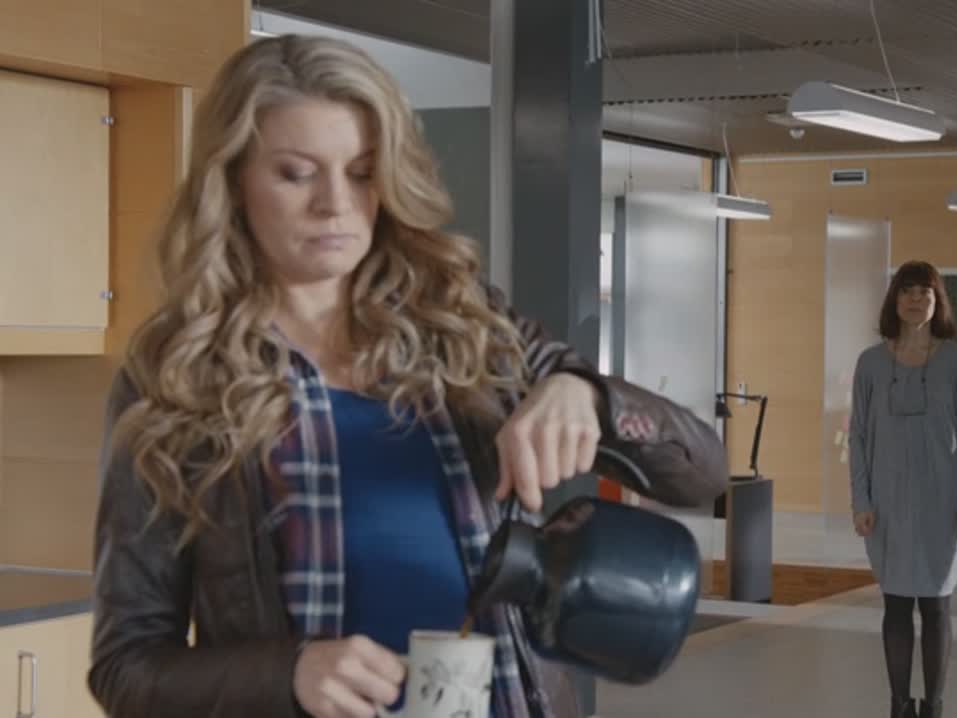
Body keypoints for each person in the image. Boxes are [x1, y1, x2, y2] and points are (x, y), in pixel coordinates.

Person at [89, 35, 727, 718]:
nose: (335, 204)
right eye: (296, 174)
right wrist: (288, 675)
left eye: (362, 172)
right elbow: (126, 667)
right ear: (233, 182)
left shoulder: (467, 325)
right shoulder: (178, 379)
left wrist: (589, 397)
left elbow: (702, 474)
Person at [849, 260, 957, 718]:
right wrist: (861, 500)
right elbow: (858, 437)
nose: (915, 299)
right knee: (895, 604)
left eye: (924, 292)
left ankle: (934, 706)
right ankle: (899, 706)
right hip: (886, 505)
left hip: (942, 505)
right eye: (906, 291)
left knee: (935, 605)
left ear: (936, 301)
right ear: (894, 300)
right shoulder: (870, 363)